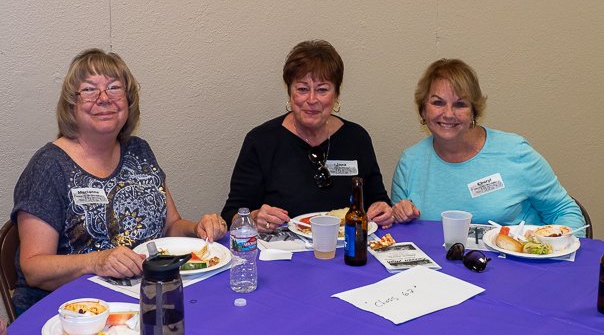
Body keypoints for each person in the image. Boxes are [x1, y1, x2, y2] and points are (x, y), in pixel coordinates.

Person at [12, 49, 227, 315]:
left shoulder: (138, 151)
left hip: (143, 299)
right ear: (71, 104)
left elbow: (170, 227)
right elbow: (33, 268)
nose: (104, 99)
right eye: (89, 90)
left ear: (128, 101)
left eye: (114, 88)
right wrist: (97, 261)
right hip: (71, 313)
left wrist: (198, 228)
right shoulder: (49, 167)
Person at [391, 58, 586, 234]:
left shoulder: (515, 152)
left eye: (460, 104)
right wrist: (399, 215)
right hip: (441, 270)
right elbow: (402, 234)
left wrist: (557, 253)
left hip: (517, 268)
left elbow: (564, 212)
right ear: (423, 111)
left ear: (473, 112)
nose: (449, 114)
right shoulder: (410, 163)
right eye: (438, 103)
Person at [221, 40, 393, 231]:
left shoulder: (357, 138)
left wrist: (383, 211)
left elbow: (378, 202)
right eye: (302, 89)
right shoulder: (261, 141)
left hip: (345, 251)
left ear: (336, 95)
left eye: (322, 90)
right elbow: (230, 216)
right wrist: (253, 218)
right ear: (289, 93)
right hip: (283, 255)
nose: (311, 100)